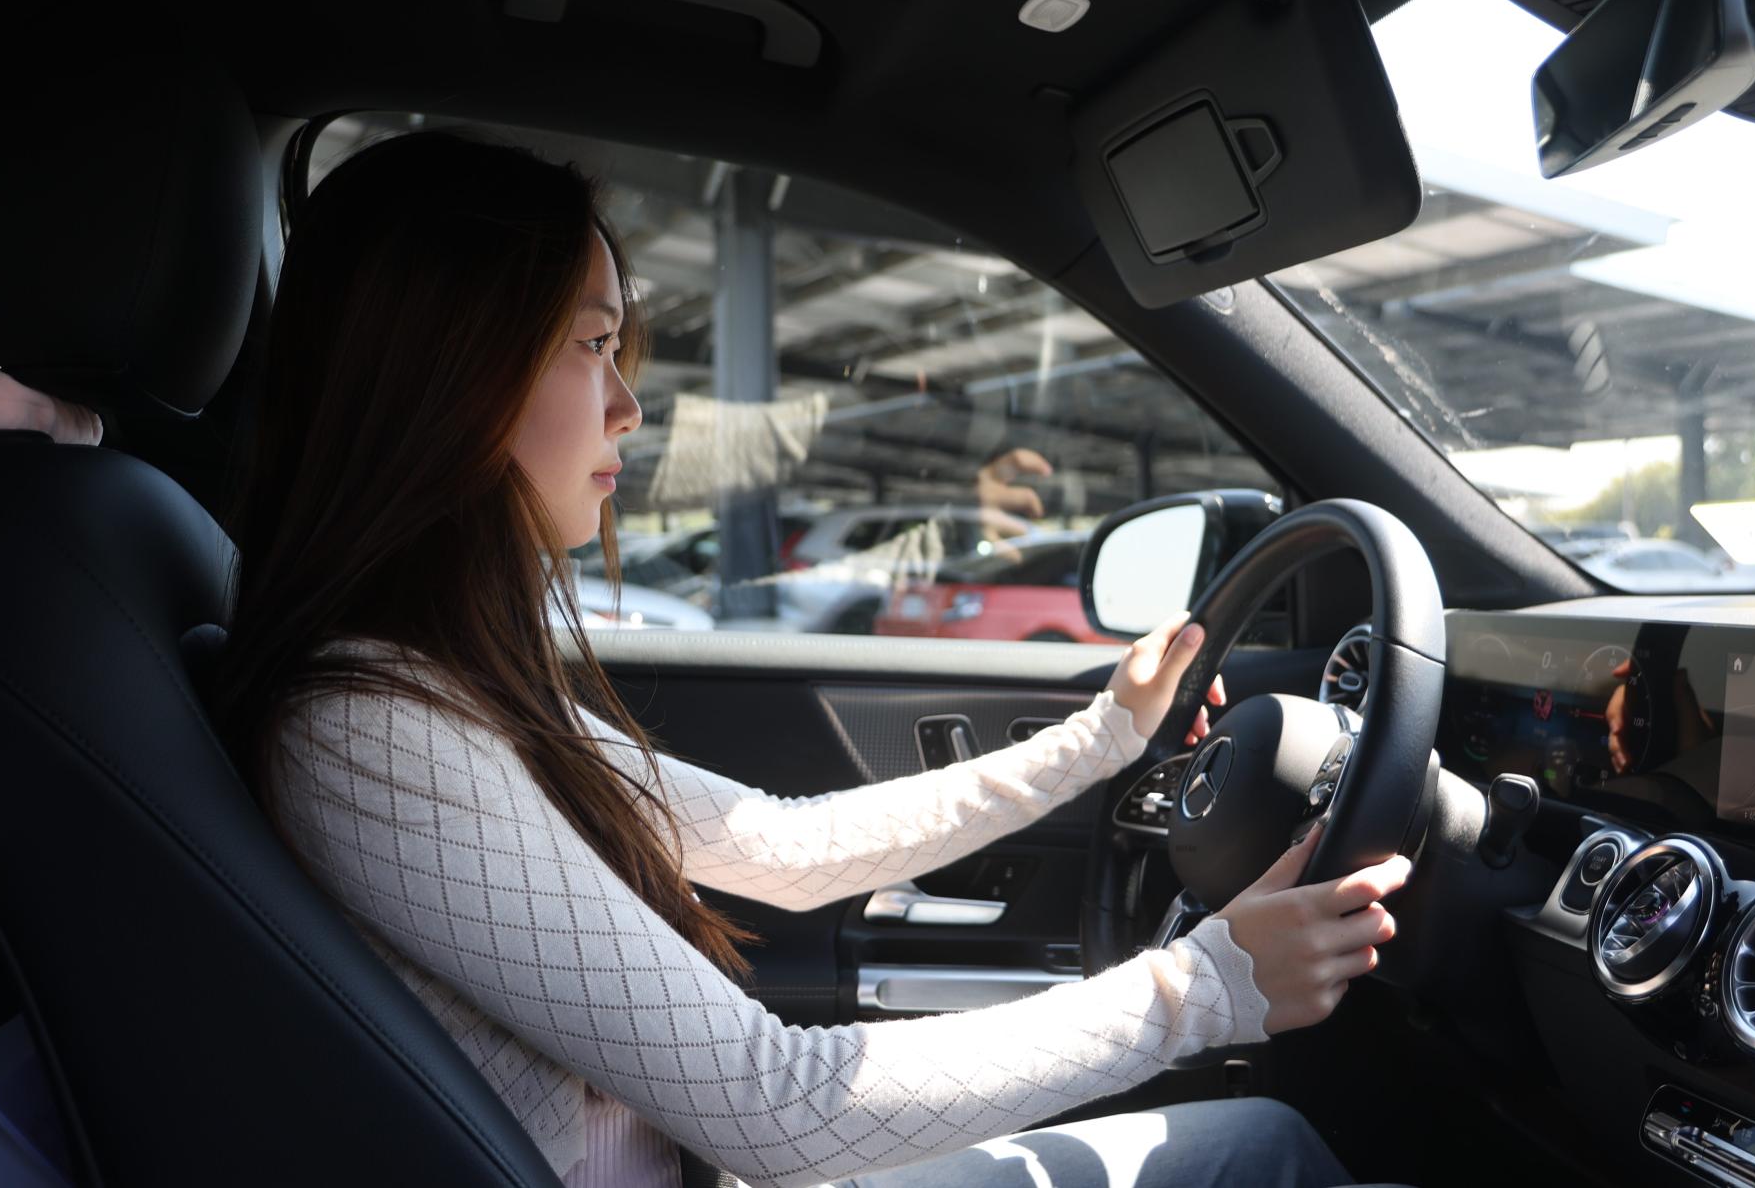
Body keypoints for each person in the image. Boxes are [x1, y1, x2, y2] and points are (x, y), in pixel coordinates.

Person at [200, 131, 1411, 1188]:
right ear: (448, 373)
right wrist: (1199, 988)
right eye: (591, 347)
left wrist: (1101, 740)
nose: (628, 405)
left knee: (1267, 1140)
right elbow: (778, 1100)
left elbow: (782, 847)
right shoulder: (373, 725)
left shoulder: (445, 688)